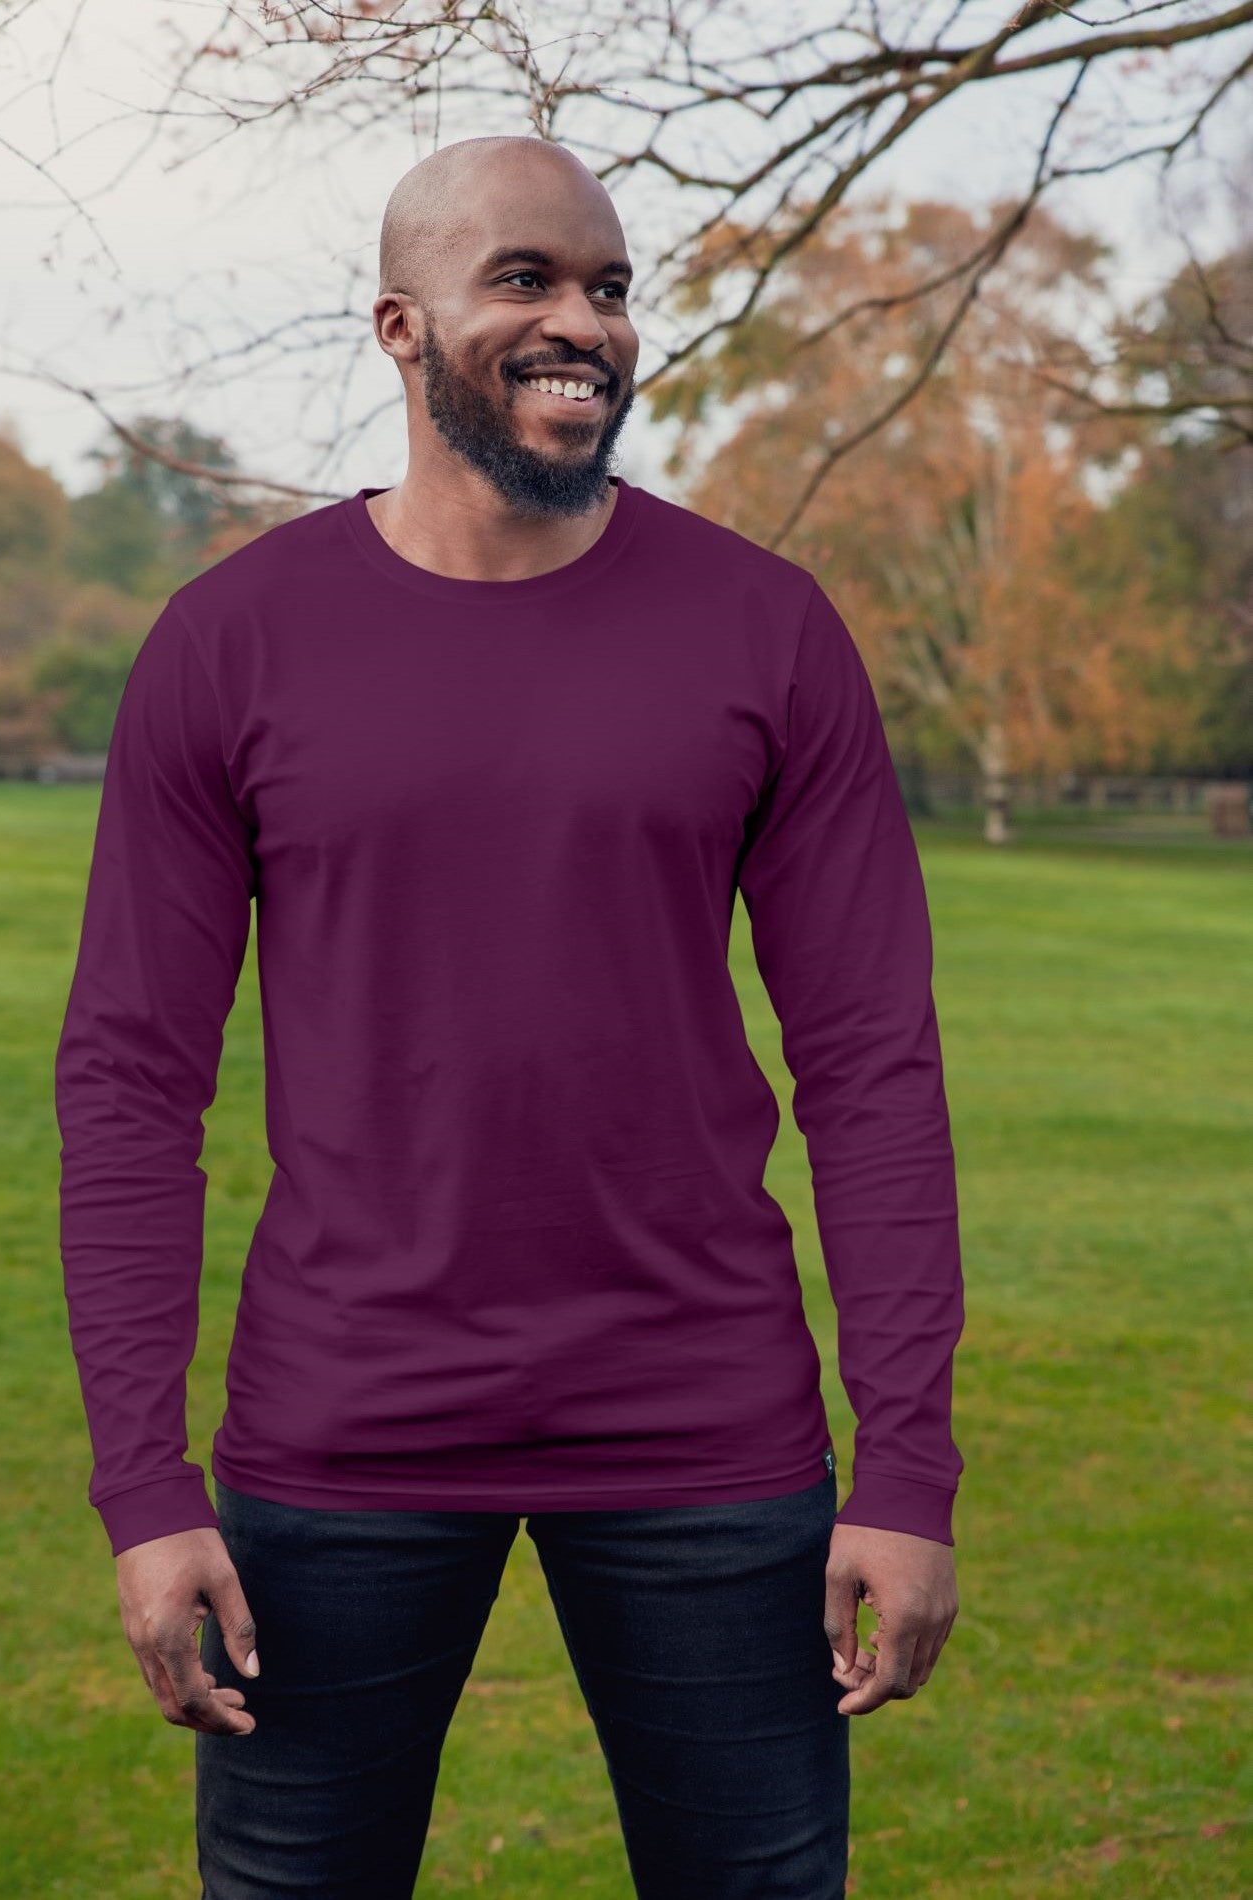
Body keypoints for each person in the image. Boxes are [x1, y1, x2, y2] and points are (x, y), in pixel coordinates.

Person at [54, 133, 964, 1899]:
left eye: (612, 288)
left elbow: (871, 1066)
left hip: (706, 1421)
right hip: (347, 1427)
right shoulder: (230, 644)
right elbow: (130, 1084)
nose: (586, 325)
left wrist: (909, 1468)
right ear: (400, 327)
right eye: (528, 281)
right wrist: (145, 1493)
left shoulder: (767, 632)